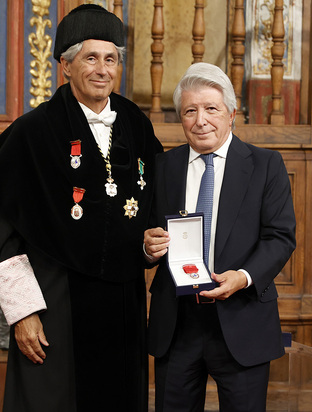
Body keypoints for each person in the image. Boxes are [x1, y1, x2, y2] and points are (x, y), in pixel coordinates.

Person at [0, 4, 162, 412]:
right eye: (90, 58)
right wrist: (22, 314)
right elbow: (3, 231)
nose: (102, 69)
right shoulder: (30, 135)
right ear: (65, 66)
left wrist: (147, 247)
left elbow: (152, 210)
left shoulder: (136, 125)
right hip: (55, 307)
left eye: (111, 59)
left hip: (123, 309)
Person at [144, 62, 296, 412]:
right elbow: (149, 231)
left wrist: (242, 277)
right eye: (190, 111)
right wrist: (147, 247)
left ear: (231, 114)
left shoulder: (265, 165)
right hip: (177, 324)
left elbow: (280, 236)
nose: (201, 120)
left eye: (211, 109)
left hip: (242, 319)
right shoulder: (163, 166)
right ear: (180, 118)